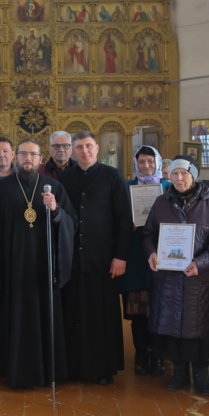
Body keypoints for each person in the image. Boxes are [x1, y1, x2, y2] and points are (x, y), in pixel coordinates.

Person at [0, 138, 77, 388]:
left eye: (33, 155)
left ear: (40, 159)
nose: (28, 159)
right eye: (23, 154)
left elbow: (71, 223)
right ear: (16, 156)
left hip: (43, 267)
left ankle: (46, 370)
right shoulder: (2, 189)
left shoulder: (53, 187)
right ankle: (13, 370)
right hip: (12, 268)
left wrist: (56, 210)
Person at [144, 156, 209, 396]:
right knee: (173, 326)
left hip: (198, 278)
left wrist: (200, 263)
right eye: (174, 173)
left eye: (184, 173)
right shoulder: (161, 202)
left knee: (198, 328)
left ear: (194, 175)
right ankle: (179, 371)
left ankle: (201, 374)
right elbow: (149, 234)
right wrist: (151, 252)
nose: (179, 178)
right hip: (169, 278)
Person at [59, 131, 132, 385]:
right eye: (79, 147)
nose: (84, 151)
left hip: (104, 259)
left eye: (88, 146)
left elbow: (124, 219)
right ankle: (74, 366)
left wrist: (120, 256)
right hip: (73, 259)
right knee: (73, 314)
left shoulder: (113, 176)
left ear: (97, 148)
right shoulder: (65, 178)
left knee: (102, 316)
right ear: (73, 150)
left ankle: (103, 368)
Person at [119, 146, 170, 376]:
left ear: (157, 162)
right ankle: (141, 352)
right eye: (142, 161)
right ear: (136, 163)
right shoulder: (127, 187)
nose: (146, 165)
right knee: (137, 308)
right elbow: (116, 215)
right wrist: (126, 222)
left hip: (162, 254)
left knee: (159, 307)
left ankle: (158, 354)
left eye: (150, 161)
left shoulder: (168, 187)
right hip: (135, 255)